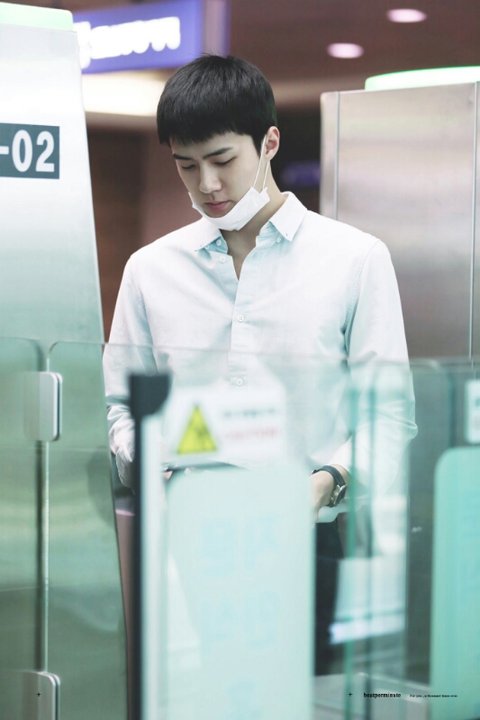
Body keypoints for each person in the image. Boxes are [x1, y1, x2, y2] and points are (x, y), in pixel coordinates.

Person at [104, 54, 416, 674]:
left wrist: (325, 484)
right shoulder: (150, 270)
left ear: (269, 143)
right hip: (185, 543)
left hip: (312, 544)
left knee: (310, 704)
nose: (207, 185)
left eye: (222, 160)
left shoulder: (354, 259)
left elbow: (390, 417)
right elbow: (117, 408)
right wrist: (155, 458)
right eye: (186, 166)